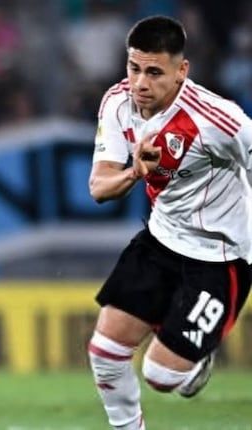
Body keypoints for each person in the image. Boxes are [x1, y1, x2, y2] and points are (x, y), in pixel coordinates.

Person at [88, 15, 252, 430]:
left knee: (160, 376)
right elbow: (99, 188)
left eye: (154, 72)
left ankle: (195, 356)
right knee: (104, 352)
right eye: (134, 68)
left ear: (182, 71)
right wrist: (134, 173)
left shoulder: (221, 121)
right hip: (160, 241)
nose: (140, 83)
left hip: (220, 258)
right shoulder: (117, 103)